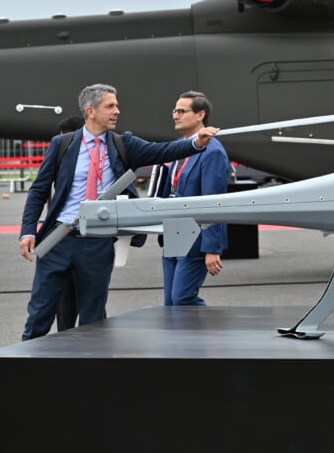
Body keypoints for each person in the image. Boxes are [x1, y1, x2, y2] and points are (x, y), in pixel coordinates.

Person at [19, 83, 219, 340]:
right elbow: (38, 190)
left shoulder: (124, 144)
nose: (117, 111)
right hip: (58, 239)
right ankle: (27, 372)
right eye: (110, 106)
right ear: (90, 111)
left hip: (97, 244)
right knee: (39, 316)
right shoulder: (62, 145)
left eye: (116, 105)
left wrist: (196, 143)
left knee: (93, 321)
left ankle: (91, 374)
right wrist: (27, 230)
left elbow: (163, 151)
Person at [157, 91, 230, 306]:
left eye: (182, 111)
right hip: (175, 230)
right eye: (174, 111)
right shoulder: (180, 146)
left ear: (200, 115)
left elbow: (214, 201)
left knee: (183, 299)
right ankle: (181, 340)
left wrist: (212, 248)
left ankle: (217, 334)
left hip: (196, 234)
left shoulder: (213, 151)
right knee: (171, 303)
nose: (175, 115)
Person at [53, 115, 85, 332]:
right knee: (64, 303)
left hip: (88, 240)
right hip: (62, 237)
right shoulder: (60, 158)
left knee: (91, 303)